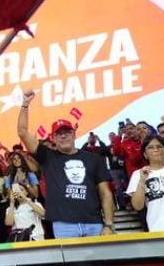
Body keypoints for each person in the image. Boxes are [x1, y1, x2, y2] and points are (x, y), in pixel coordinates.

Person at [17, 90, 115, 238]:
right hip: (64, 226)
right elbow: (22, 132)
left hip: (94, 223)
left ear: (74, 134)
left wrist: (108, 224)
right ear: (54, 138)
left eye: (67, 132)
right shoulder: (48, 157)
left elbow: (105, 193)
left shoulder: (93, 159)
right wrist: (25, 105)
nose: (63, 136)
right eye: (58, 133)